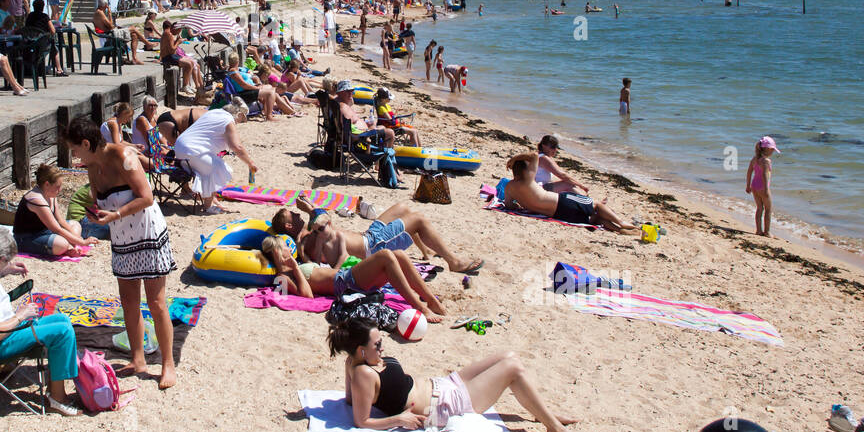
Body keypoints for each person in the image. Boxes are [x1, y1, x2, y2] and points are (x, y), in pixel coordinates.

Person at [327, 320, 582, 432]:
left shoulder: (356, 362)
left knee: (509, 355)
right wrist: (398, 418)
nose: (382, 347)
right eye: (377, 344)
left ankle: (542, 413)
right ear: (361, 350)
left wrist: (352, 374)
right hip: (446, 406)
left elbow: (350, 400)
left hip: (444, 385)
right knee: (512, 368)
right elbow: (360, 420)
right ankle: (554, 428)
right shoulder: (362, 372)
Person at [68, 116, 177, 388]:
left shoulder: (123, 155)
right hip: (122, 237)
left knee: (157, 303)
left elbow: (146, 196)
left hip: (147, 234)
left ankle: (167, 364)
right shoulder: (92, 167)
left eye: (74, 149)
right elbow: (99, 201)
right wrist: (97, 216)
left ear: (85, 143)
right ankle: (137, 358)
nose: (72, 155)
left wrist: (114, 213)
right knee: (128, 302)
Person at [0, 227, 83, 416]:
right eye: (6, 261)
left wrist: (6, 270)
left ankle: (55, 387)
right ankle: (57, 399)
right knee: (62, 332)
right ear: (0, 259)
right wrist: (21, 315)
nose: (8, 263)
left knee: (62, 320)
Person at [274, 195, 482, 274]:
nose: (294, 212)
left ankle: (426, 251)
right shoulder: (304, 240)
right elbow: (325, 221)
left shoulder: (308, 231)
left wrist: (310, 209)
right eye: (291, 214)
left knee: (402, 207)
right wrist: (309, 208)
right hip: (372, 246)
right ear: (290, 227)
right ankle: (454, 262)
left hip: (368, 235)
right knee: (418, 219)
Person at [260, 236, 445, 320]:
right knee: (387, 255)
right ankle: (419, 306)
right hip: (345, 284)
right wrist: (294, 267)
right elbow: (307, 296)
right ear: (277, 251)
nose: (288, 249)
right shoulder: (282, 277)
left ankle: (431, 301)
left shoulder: (296, 265)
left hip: (347, 275)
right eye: (284, 246)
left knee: (399, 255)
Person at [502, 152, 640, 234]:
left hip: (557, 214)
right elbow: (533, 155)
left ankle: (618, 230)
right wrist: (512, 160)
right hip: (562, 202)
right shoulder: (528, 180)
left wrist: (517, 205)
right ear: (526, 170)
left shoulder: (510, 187)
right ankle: (621, 223)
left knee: (594, 219)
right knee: (596, 205)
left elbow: (509, 205)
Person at [172, 97, 257, 213]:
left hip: (180, 149)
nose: (238, 123)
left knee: (213, 164)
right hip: (192, 150)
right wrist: (250, 163)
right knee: (217, 167)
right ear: (238, 115)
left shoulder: (213, 113)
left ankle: (212, 201)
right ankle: (208, 207)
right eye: (240, 120)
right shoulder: (228, 120)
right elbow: (237, 147)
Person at [12, 163, 104, 257]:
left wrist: (76, 239)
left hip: (45, 231)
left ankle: (71, 247)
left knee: (75, 224)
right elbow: (56, 229)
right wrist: (82, 242)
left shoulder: (50, 195)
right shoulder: (36, 199)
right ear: (47, 184)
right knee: (62, 244)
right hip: (27, 237)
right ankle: (67, 248)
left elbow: (60, 220)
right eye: (57, 186)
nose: (60, 190)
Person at [223, 52, 298, 119]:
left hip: (248, 90)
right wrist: (255, 87)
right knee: (270, 92)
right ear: (237, 61)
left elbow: (245, 77)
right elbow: (244, 85)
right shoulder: (233, 71)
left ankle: (291, 112)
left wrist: (255, 83)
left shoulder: (236, 69)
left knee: (271, 89)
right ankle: (269, 116)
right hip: (245, 93)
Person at [334, 80, 395, 148]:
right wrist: (366, 131)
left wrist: (366, 125)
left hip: (361, 133)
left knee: (382, 127)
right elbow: (348, 130)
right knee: (390, 133)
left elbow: (349, 125)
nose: (351, 93)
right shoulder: (342, 108)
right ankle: (386, 156)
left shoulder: (339, 104)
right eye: (347, 91)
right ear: (340, 93)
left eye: (351, 91)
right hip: (361, 139)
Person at [746, 136, 779, 236]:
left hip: (754, 186)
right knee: (768, 209)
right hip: (762, 187)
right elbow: (765, 174)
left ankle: (758, 230)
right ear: (768, 149)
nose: (773, 152)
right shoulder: (766, 161)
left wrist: (748, 185)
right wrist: (766, 189)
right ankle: (767, 232)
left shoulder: (755, 159)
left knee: (759, 208)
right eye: (772, 150)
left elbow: (749, 172)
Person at [160, 20, 202, 93]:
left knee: (191, 62)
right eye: (179, 30)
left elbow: (171, 47)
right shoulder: (168, 34)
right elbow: (172, 50)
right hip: (168, 57)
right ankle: (185, 86)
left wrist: (177, 40)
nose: (179, 32)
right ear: (176, 28)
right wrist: (179, 42)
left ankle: (186, 85)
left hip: (171, 55)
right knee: (188, 64)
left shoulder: (167, 33)